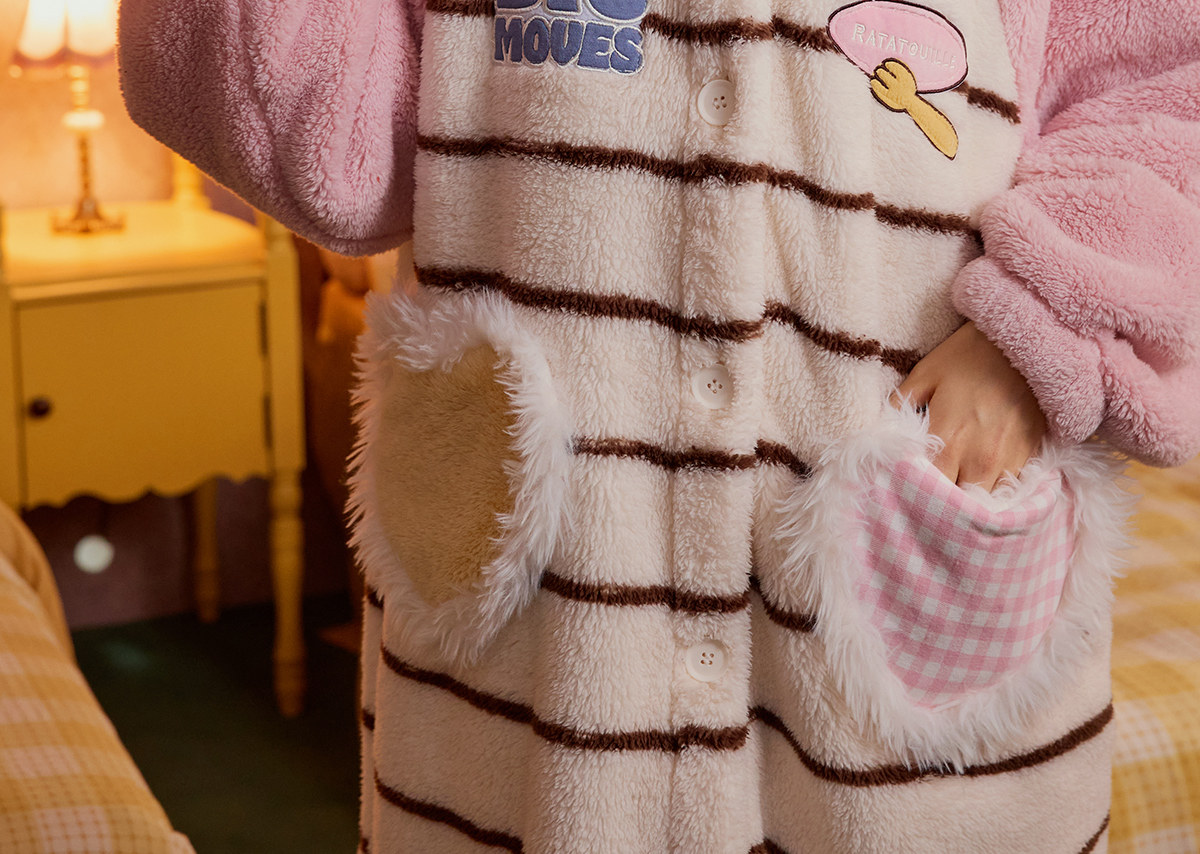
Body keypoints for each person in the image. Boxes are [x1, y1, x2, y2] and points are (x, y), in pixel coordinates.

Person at [119, 0, 1200, 850]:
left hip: (901, 611)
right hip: (552, 648)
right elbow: (327, 151)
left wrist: (1038, 333)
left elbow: (1167, 79)